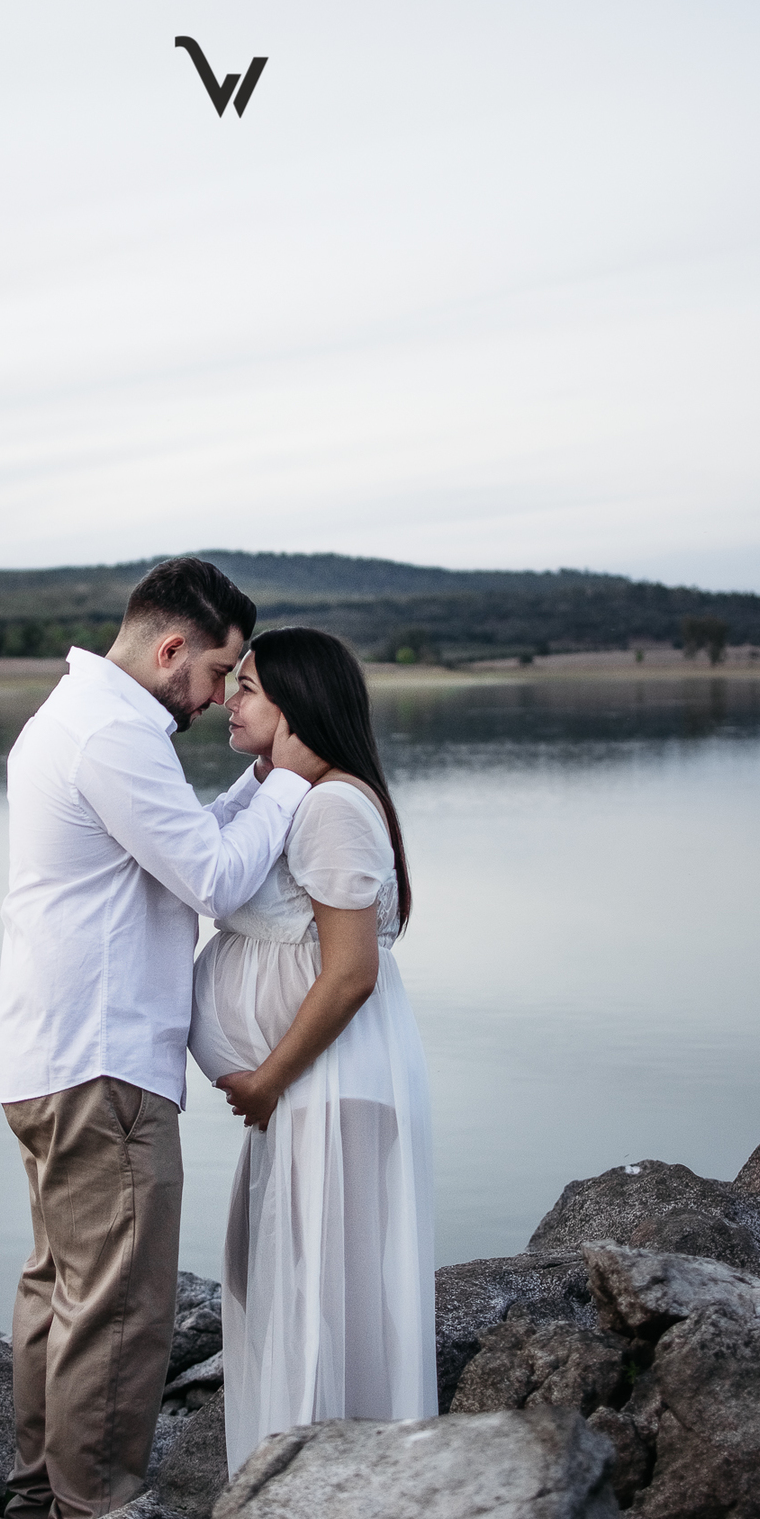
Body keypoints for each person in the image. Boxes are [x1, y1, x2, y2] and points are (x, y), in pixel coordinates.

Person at [0, 558, 322, 1519]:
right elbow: (213, 879)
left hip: (45, 1055)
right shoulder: (116, 734)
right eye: (217, 672)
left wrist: (256, 784)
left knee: (59, 1287)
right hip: (102, 1063)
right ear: (170, 648)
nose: (220, 695)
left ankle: (34, 1504)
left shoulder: (74, 718)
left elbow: (170, 844)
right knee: (123, 1302)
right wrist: (296, 787)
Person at [188, 627, 437, 1475]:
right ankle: (298, 1478)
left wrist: (266, 1077)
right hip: (298, 1087)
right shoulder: (283, 791)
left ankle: (344, 1486)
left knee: (331, 1295)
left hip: (328, 1080)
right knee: (274, 1279)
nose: (230, 697)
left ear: (299, 703)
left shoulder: (333, 807)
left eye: (250, 687)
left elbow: (351, 973)